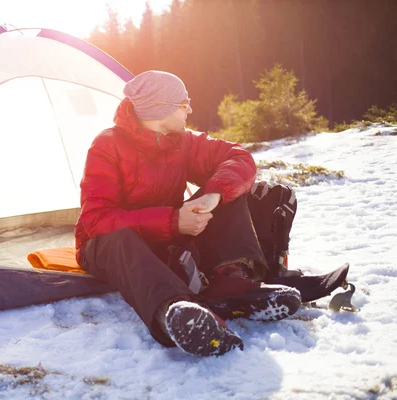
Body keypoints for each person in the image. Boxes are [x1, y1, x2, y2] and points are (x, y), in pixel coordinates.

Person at [74, 70, 302, 357]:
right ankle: (175, 315)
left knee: (227, 191)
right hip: (105, 246)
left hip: (163, 237)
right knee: (122, 239)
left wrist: (213, 195)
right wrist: (173, 221)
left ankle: (231, 284)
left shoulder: (183, 141)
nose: (190, 109)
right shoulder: (107, 145)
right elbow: (96, 220)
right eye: (184, 103)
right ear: (161, 109)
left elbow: (238, 157)